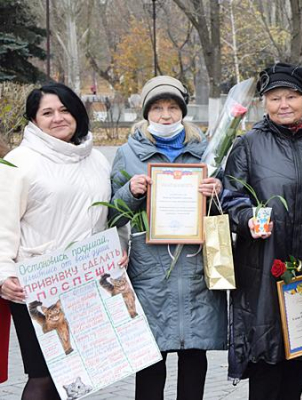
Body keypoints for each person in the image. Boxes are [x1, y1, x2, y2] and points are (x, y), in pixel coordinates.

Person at [223, 63, 302, 400]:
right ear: (264, 103)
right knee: (266, 362)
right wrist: (247, 218)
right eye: (274, 98)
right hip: (263, 268)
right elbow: (230, 197)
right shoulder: (248, 144)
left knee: (298, 360)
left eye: (291, 96)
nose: (283, 104)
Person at [107, 76, 226, 400]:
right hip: (150, 274)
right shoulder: (128, 153)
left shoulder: (207, 152)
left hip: (194, 270)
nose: (165, 115)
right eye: (157, 108)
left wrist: (218, 191)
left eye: (172, 107)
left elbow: (223, 211)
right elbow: (111, 215)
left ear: (182, 112)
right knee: (149, 362)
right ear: (146, 113)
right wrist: (130, 192)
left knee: (193, 357)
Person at [0, 83, 114, 399]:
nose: (58, 118)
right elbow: (2, 222)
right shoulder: (19, 162)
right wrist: (2, 274)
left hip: (85, 281)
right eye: (47, 112)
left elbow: (103, 217)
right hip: (36, 282)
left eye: (64, 109)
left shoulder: (96, 159)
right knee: (42, 375)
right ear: (34, 120)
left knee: (75, 373)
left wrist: (116, 254)